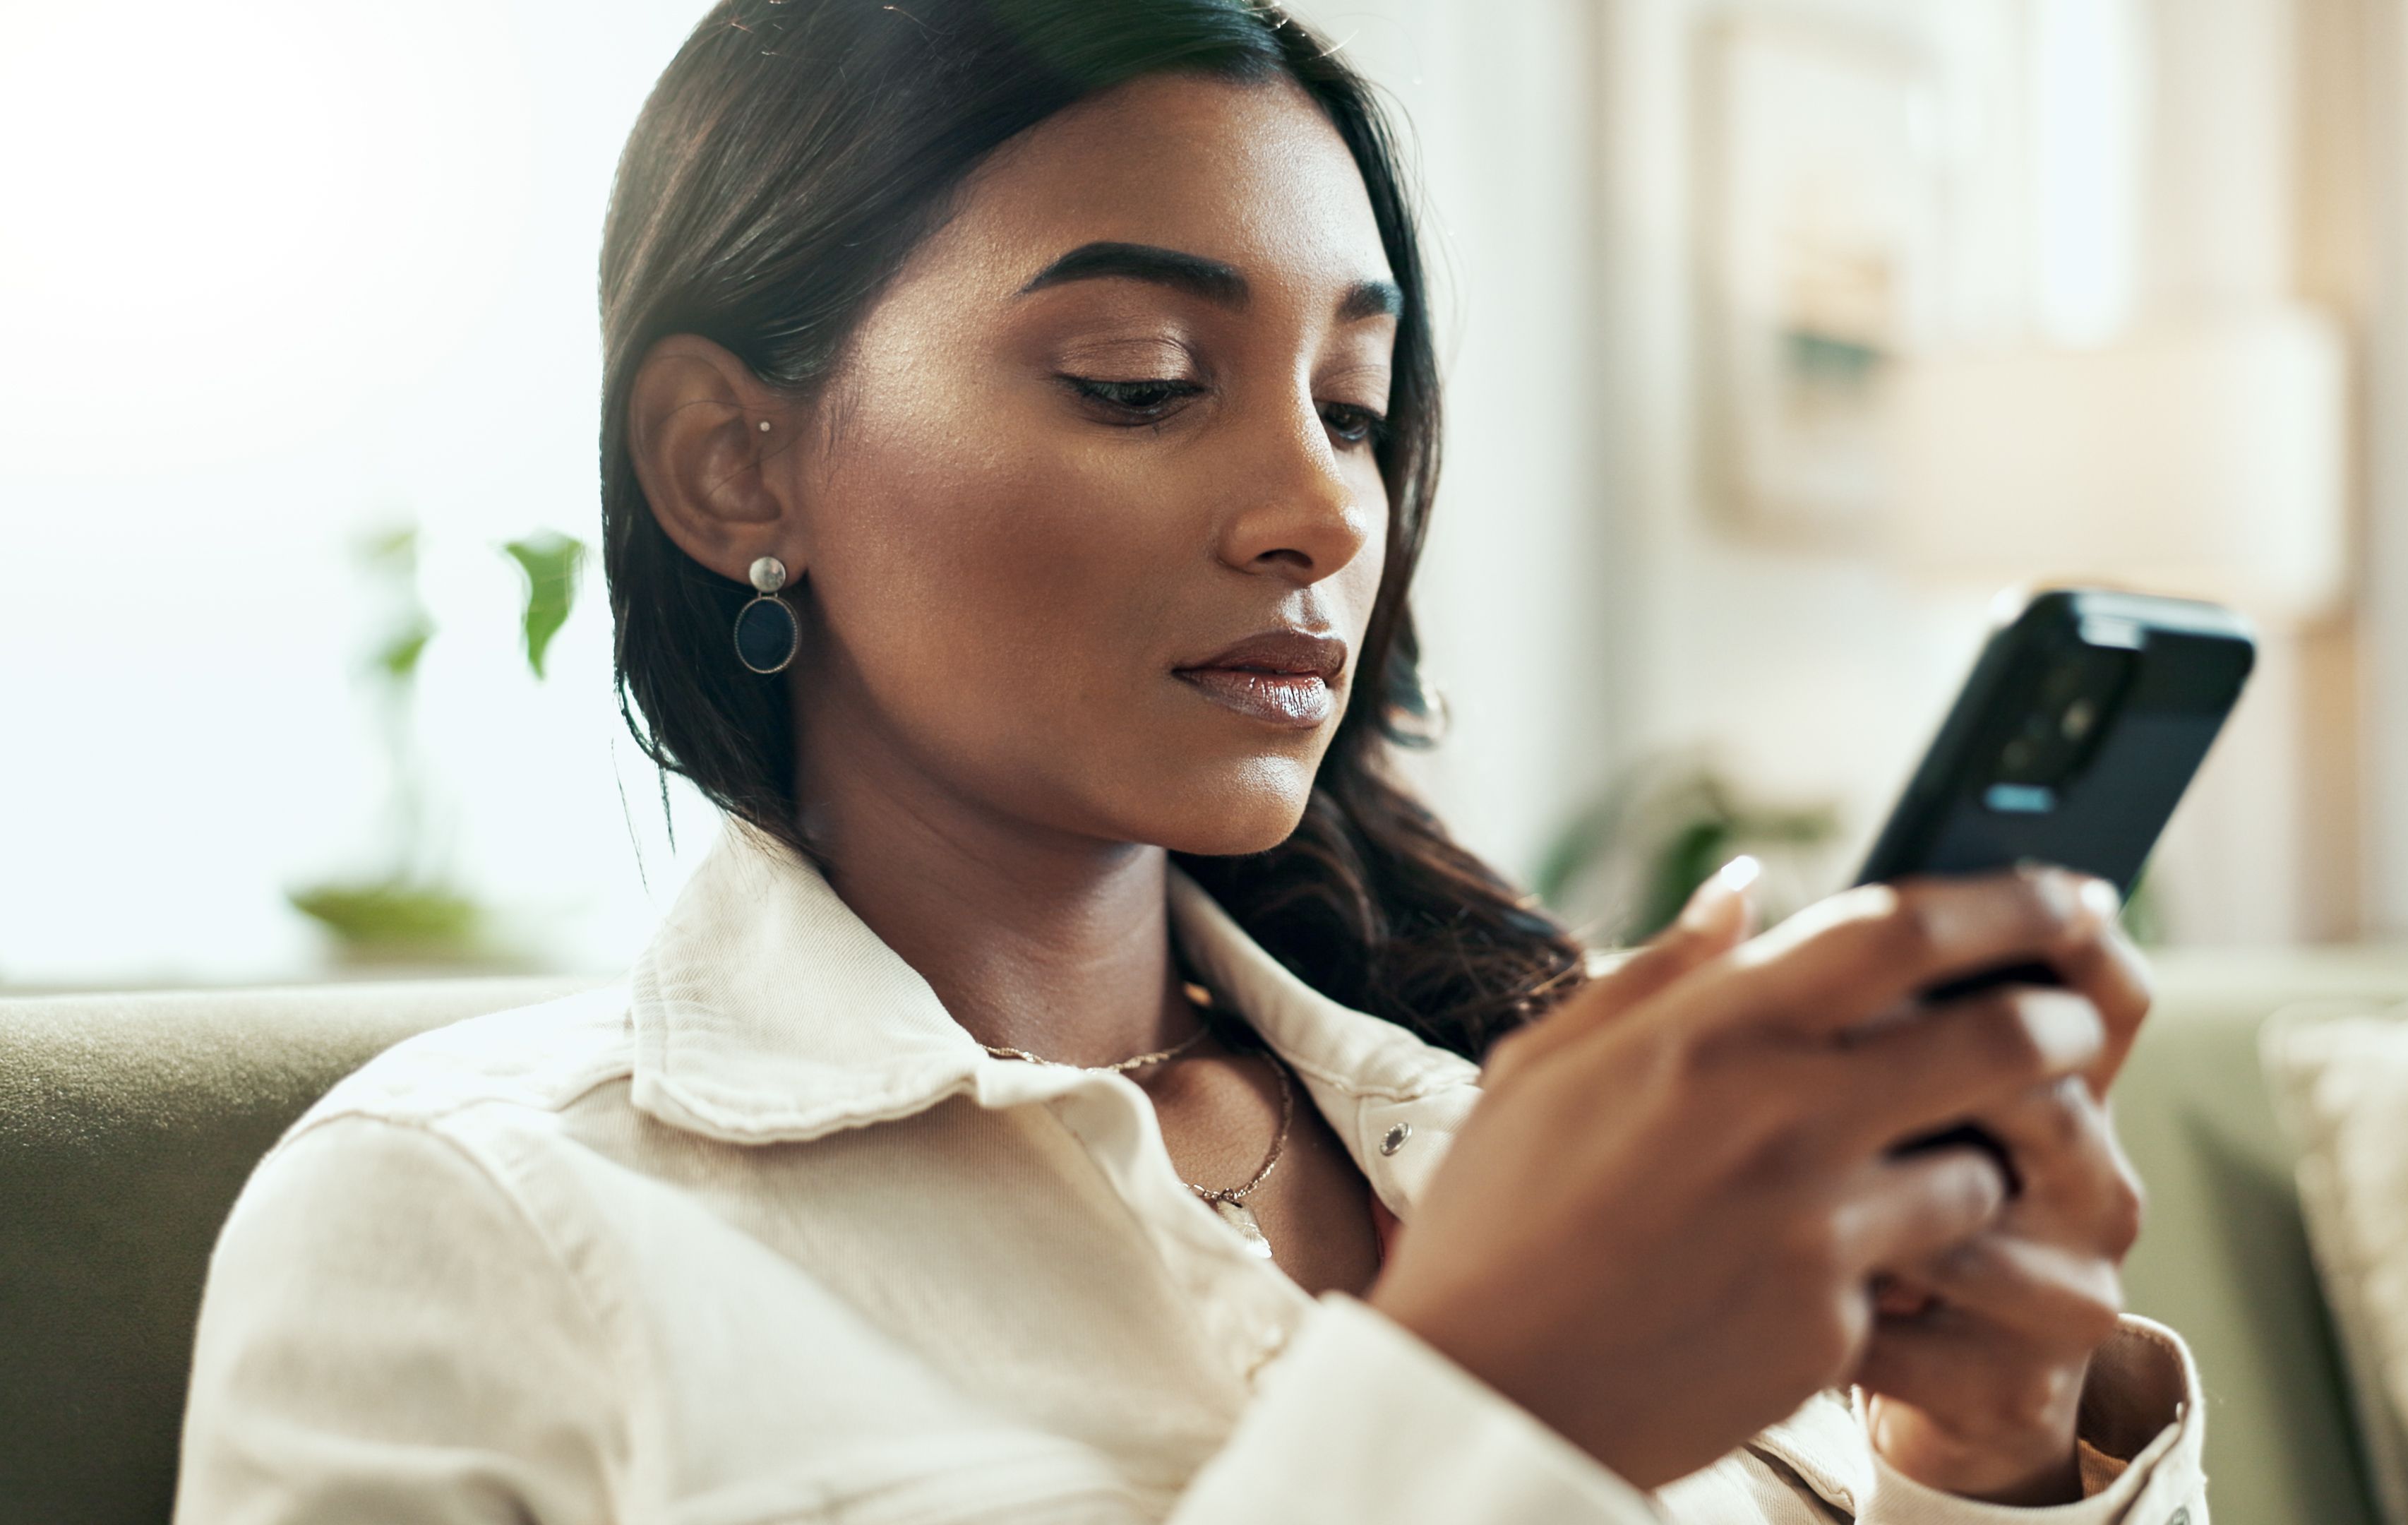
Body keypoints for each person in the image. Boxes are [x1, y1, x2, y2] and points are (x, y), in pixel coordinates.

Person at [176, 3, 2206, 1520]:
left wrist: (1988, 1461)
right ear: (735, 461)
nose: (1318, 511)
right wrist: (1490, 1405)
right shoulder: (466, 1223)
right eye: (1139, 384)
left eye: (1357, 402)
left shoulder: (1546, 1097)